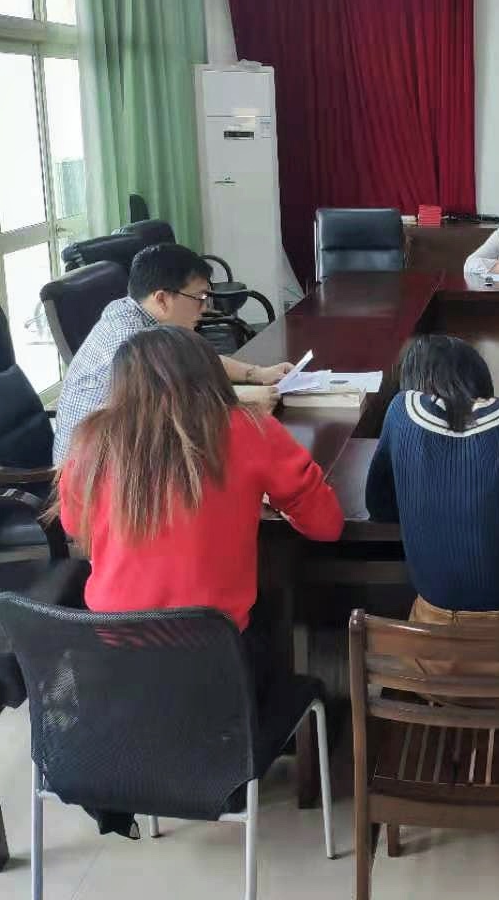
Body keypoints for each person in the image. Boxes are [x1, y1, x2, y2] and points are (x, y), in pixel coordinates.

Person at [57, 326, 343, 835]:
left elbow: (76, 527)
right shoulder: (246, 429)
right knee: (271, 610)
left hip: (113, 679)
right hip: (217, 676)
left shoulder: (91, 440)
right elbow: (326, 525)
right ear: (209, 375)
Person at [365, 334, 499, 878]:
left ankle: (453, 741)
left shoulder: (400, 413)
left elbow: (378, 504)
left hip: (430, 644)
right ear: (479, 377)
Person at [53, 243, 292, 464]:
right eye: (199, 298)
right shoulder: (130, 344)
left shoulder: (133, 310)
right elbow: (177, 407)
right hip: (93, 476)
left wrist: (257, 373)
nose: (204, 308)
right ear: (162, 299)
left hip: (128, 454)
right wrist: (240, 399)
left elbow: (197, 358)